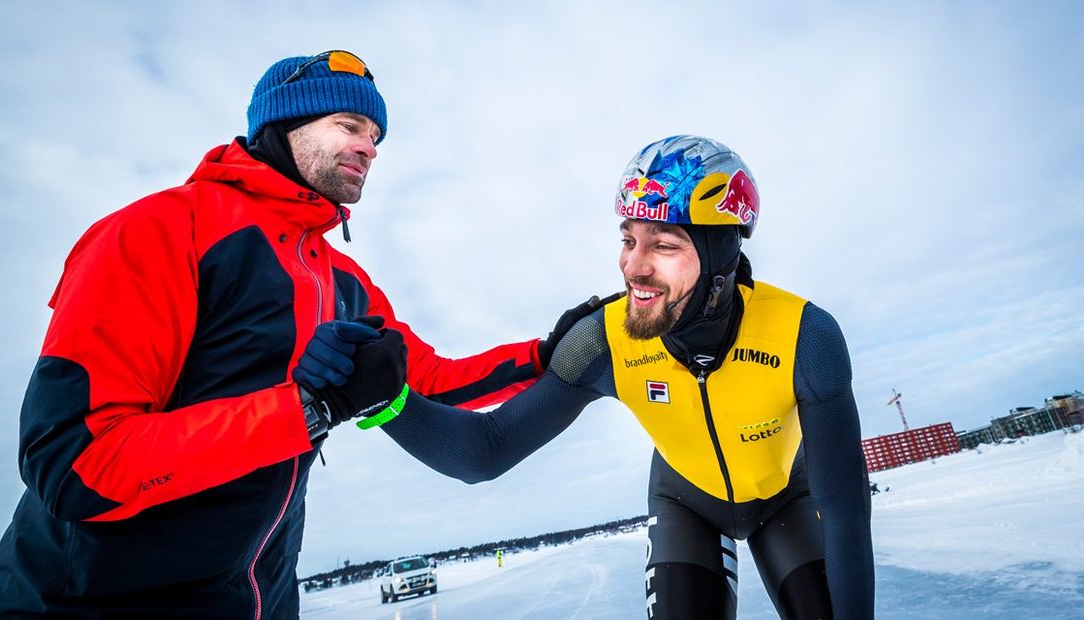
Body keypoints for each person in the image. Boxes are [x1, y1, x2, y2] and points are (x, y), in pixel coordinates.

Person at [0, 50, 600, 619]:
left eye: (376, 135)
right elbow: (77, 465)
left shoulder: (345, 282)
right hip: (90, 602)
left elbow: (428, 380)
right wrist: (310, 409)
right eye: (349, 125)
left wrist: (543, 354)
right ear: (284, 125)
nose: (371, 147)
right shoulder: (159, 232)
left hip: (260, 598)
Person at [375, 136, 875, 619]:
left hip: (786, 495)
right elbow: (486, 449)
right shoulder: (601, 341)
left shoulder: (804, 335)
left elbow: (846, 515)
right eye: (629, 239)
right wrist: (383, 400)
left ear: (720, 258)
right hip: (687, 504)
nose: (633, 267)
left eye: (663, 244)